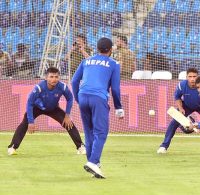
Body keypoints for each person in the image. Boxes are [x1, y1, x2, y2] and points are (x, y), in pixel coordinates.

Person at [72, 37, 124, 179]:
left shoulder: (86, 61)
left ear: (97, 49)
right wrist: (119, 107)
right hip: (98, 98)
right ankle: (93, 162)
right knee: (101, 132)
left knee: (89, 133)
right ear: (111, 50)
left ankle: (94, 163)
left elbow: (74, 80)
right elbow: (115, 88)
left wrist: (78, 98)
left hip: (83, 96)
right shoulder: (114, 64)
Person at [7, 67, 86, 155]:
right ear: (46, 78)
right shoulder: (39, 87)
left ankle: (80, 147)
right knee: (24, 124)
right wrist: (31, 122)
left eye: (56, 77)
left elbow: (70, 98)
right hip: (37, 108)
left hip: (53, 109)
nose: (54, 79)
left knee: (69, 123)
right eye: (51, 77)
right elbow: (30, 103)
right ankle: (12, 147)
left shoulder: (62, 86)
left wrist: (67, 115)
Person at [157, 68, 200, 154]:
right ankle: (163, 146)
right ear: (186, 77)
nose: (192, 79)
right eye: (190, 76)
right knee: (174, 123)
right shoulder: (182, 85)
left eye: (194, 76)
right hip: (187, 106)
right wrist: (181, 108)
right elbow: (177, 97)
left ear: (198, 77)